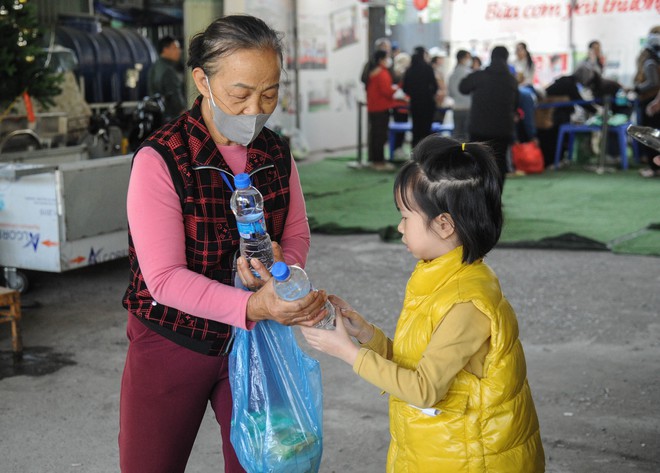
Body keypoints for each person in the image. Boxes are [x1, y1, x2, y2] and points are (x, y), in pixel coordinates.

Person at [119, 15, 329, 473]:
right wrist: (254, 307)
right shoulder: (162, 158)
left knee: (267, 462)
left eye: (269, 93)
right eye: (240, 93)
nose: (256, 107)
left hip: (256, 342)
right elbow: (164, 279)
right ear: (202, 80)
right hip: (173, 340)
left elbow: (295, 231)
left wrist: (282, 267)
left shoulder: (274, 152)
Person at [301, 135, 545, 472]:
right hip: (437, 448)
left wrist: (346, 352)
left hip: (467, 459)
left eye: (406, 216)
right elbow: (417, 363)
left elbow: (424, 389)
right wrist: (366, 334)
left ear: (444, 225)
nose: (400, 227)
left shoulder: (466, 304)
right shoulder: (441, 278)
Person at [459, 45, 519, 183]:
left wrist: (474, 75)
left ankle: (480, 199)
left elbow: (463, 88)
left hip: (478, 128)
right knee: (500, 163)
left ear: (491, 57)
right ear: (506, 58)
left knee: (479, 164)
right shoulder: (511, 80)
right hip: (503, 130)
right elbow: (516, 105)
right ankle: (496, 198)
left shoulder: (479, 76)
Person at [634, 28, 660, 177]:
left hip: (650, 101)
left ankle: (653, 167)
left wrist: (637, 88)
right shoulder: (655, 60)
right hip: (654, 99)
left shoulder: (650, 62)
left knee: (649, 135)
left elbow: (653, 83)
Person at [366, 49, 397, 170]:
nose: (388, 60)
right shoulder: (382, 73)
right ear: (381, 59)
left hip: (374, 107)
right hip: (381, 107)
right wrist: (397, 89)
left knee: (375, 135)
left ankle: (376, 160)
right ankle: (379, 162)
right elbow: (387, 91)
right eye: (387, 57)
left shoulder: (373, 72)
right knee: (380, 136)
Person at [403, 46, 438, 147]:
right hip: (427, 103)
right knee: (426, 129)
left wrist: (413, 94)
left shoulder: (410, 69)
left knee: (416, 128)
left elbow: (405, 88)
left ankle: (415, 152)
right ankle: (426, 152)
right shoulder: (427, 68)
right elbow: (434, 86)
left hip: (415, 103)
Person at [147, 36, 187, 122]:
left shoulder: (154, 67)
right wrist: (184, 113)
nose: (179, 51)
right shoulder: (169, 71)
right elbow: (175, 95)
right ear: (165, 50)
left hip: (158, 117)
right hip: (171, 118)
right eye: (175, 48)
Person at [447, 49, 472, 140]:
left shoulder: (452, 74)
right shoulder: (469, 74)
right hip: (468, 107)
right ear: (463, 58)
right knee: (467, 135)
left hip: (456, 107)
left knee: (457, 134)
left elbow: (450, 93)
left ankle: (457, 153)